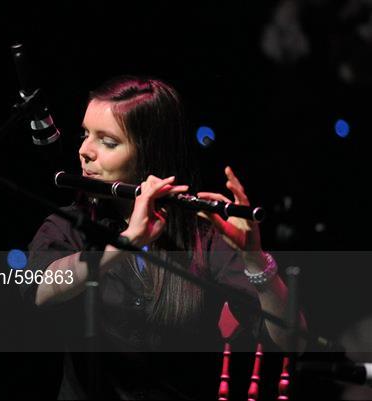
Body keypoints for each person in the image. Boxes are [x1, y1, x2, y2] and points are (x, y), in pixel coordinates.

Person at [20, 76, 305, 399]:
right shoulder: (69, 225)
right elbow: (39, 291)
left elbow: (291, 340)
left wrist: (254, 257)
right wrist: (125, 244)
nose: (84, 151)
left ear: (150, 154)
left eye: (108, 142)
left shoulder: (204, 234)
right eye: (86, 134)